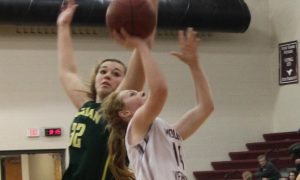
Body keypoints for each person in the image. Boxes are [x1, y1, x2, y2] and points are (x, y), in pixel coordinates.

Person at [57, 0, 157, 179]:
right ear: (95, 77)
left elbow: (143, 48)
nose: (107, 75)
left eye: (116, 73)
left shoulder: (118, 111)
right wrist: (63, 25)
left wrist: (151, 6)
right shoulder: (85, 104)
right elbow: (67, 71)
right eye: (103, 71)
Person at [102, 27, 214, 179]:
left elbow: (206, 107)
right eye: (132, 94)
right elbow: (160, 90)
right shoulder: (136, 125)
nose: (141, 92)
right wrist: (142, 46)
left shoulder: (165, 131)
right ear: (125, 112)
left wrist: (194, 65)